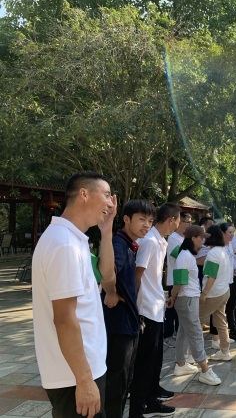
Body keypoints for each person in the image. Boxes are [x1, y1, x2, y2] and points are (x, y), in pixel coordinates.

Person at [32, 171, 116, 418]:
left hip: (82, 370)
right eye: (107, 195)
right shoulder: (64, 245)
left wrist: (107, 230)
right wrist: (84, 379)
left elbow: (107, 277)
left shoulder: (74, 240)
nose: (111, 203)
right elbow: (64, 319)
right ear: (84, 194)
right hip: (74, 376)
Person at [102, 199, 155, 418]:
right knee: (116, 382)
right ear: (126, 219)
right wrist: (110, 291)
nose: (147, 225)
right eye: (142, 219)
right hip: (119, 324)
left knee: (124, 380)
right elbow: (106, 270)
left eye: (150, 220)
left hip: (128, 322)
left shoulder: (130, 244)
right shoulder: (119, 244)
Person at [128, 202, 181, 418]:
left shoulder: (160, 241)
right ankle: (137, 410)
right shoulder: (149, 242)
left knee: (154, 361)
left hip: (156, 307)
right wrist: (133, 307)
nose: (179, 225)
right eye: (179, 220)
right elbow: (137, 275)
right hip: (146, 310)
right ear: (171, 220)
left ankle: (151, 400)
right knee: (144, 364)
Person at [169, 225, 222, 385]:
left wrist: (174, 297)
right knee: (195, 332)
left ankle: (181, 364)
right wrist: (172, 296)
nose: (203, 241)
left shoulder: (186, 255)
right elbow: (179, 281)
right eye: (201, 238)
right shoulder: (185, 256)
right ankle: (204, 369)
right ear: (193, 238)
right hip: (187, 299)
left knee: (184, 332)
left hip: (188, 298)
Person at [200, 225, 234, 361]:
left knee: (196, 321)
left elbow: (211, 276)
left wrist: (204, 293)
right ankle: (225, 351)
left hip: (213, 293)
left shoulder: (213, 253)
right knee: (220, 321)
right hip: (224, 290)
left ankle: (191, 354)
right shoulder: (224, 251)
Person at [164, 212, 192, 348]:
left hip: (183, 279)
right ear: (180, 222)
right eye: (188, 222)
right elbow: (178, 255)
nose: (190, 224)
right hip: (174, 279)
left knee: (179, 310)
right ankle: (167, 335)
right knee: (171, 309)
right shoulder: (173, 238)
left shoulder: (184, 238)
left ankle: (177, 333)